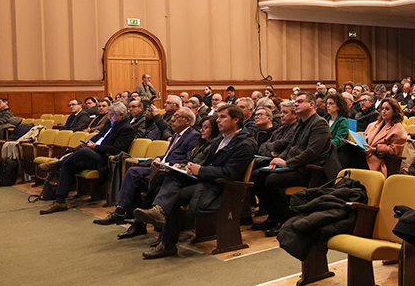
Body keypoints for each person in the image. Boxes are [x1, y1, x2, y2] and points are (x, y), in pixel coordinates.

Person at [135, 105, 256, 259]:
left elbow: (230, 173)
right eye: (218, 117)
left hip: (223, 188)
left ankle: (166, 241)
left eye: (222, 117)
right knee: (172, 175)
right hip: (208, 181)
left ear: (236, 120)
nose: (218, 120)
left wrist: (201, 171)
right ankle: (158, 211)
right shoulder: (221, 138)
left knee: (174, 197)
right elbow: (206, 163)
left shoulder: (244, 144)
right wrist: (188, 167)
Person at [94, 107, 200, 233]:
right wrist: (158, 158)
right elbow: (168, 155)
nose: (171, 119)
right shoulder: (177, 136)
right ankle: (122, 211)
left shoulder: (193, 136)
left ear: (187, 121)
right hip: (161, 168)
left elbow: (189, 161)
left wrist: (166, 163)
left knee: (139, 179)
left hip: (171, 172)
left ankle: (137, 222)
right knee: (133, 173)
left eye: (176, 116)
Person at [36, 102, 137, 214]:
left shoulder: (127, 129)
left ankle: (57, 164)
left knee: (84, 151)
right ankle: (60, 201)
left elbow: (116, 149)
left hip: (104, 159)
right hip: (91, 155)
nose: (109, 117)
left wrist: (96, 147)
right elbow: (99, 136)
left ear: (121, 115)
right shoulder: (109, 123)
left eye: (112, 115)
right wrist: (92, 141)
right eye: (109, 114)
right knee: (68, 166)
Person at [256, 93, 334, 236]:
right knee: (257, 176)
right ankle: (273, 216)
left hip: (309, 170)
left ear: (311, 105)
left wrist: (286, 162)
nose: (296, 104)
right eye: (295, 101)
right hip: (294, 166)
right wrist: (278, 159)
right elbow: (290, 147)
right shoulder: (300, 124)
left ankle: (286, 219)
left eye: (299, 101)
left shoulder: (319, 124)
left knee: (272, 180)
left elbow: (312, 153)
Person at [362, 97, 408, 176]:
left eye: (387, 109)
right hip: (365, 155)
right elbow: (364, 137)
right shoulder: (373, 124)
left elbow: (393, 150)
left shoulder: (398, 129)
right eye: (382, 109)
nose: (383, 111)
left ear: (395, 111)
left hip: (379, 160)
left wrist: (374, 149)